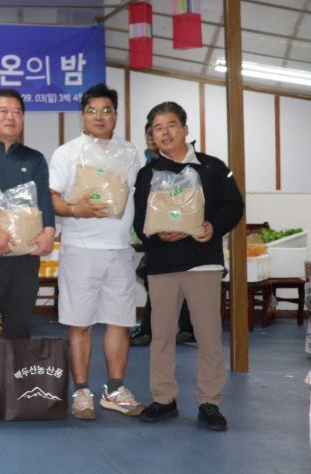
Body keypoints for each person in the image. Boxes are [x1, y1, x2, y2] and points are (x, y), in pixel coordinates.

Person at [134, 101, 243, 431]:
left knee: (208, 335)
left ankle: (210, 402)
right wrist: (157, 235)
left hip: (202, 264)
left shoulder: (212, 167)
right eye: (157, 128)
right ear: (152, 136)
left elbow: (234, 205)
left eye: (170, 125)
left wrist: (213, 226)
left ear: (184, 129)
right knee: (161, 335)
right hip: (162, 265)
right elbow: (140, 221)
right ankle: (163, 399)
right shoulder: (147, 174)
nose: (164, 133)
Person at [48, 83, 146, 420]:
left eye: (107, 110)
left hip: (120, 250)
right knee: (80, 324)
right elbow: (52, 197)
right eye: (92, 111)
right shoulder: (67, 152)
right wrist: (75, 210)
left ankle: (114, 390)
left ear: (116, 115)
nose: (99, 116)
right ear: (83, 115)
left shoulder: (130, 153)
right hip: (80, 249)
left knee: (120, 322)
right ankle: (82, 392)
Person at [0, 88, 56, 419]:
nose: (10, 117)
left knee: (20, 322)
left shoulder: (34, 158)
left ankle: (16, 383)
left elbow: (44, 197)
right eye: (3, 110)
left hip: (25, 252)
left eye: (17, 111)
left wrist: (49, 231)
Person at [132, 122, 194, 348]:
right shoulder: (147, 165)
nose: (152, 138)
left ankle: (169, 329)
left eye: (155, 134)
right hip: (156, 233)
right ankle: (166, 328)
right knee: (156, 281)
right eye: (149, 134)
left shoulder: (183, 162)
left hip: (181, 231)